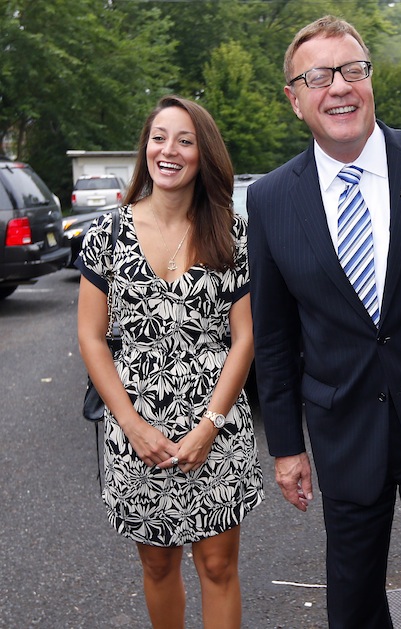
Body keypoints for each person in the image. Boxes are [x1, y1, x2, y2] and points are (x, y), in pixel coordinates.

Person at [247, 16, 401, 629]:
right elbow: (274, 334)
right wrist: (285, 446)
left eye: (352, 70)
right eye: (319, 76)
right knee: (354, 599)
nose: (339, 86)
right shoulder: (272, 198)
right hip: (344, 427)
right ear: (295, 98)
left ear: (370, 82)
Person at [77, 95, 263, 629]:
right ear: (146, 148)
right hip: (137, 430)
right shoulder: (106, 234)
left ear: (203, 155)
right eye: (160, 137)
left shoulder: (232, 233)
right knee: (158, 566)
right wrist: (132, 425)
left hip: (216, 428)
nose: (170, 150)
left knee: (218, 565)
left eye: (185, 140)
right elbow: (92, 338)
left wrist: (211, 426)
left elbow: (244, 339)